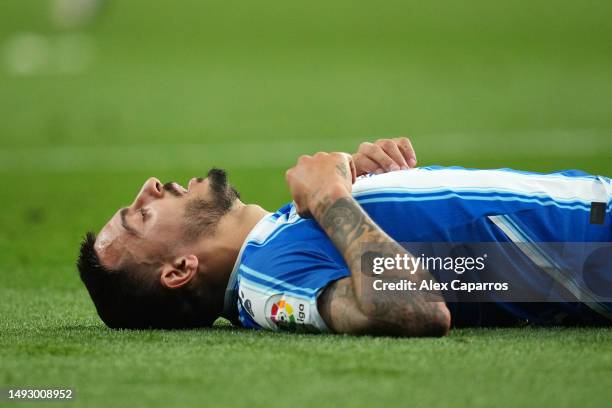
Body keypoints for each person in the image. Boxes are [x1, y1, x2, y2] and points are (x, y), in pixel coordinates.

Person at [77, 138, 612, 336]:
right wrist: (331, 195)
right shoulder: (264, 282)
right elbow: (418, 310)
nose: (148, 188)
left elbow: (460, 263)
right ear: (179, 271)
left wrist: (371, 179)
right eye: (139, 217)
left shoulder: (274, 241)